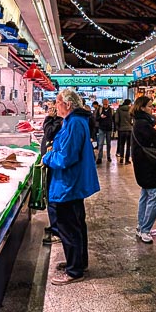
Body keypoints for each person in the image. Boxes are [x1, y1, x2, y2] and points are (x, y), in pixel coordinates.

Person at [42, 89, 101, 285]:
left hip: (68, 184)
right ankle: (78, 263)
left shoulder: (75, 122)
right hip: (72, 183)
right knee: (76, 225)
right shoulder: (74, 120)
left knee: (68, 228)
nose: (55, 106)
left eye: (57, 102)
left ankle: (74, 271)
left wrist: (47, 157)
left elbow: (66, 157)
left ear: (67, 104)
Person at [129, 96, 156, 243]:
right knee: (155, 196)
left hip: (142, 164)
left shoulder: (138, 122)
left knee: (145, 195)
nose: (152, 109)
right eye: (149, 106)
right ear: (142, 108)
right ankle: (145, 230)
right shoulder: (143, 124)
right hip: (148, 165)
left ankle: (141, 226)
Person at [41, 105, 63, 245]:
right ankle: (56, 227)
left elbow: (49, 133)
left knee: (54, 199)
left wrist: (49, 118)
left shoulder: (61, 122)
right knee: (52, 198)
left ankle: (58, 231)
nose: (53, 108)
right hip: (54, 164)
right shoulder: (62, 121)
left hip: (56, 167)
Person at [114, 98, 133, 164]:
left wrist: (118, 127)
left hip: (121, 130)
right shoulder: (131, 110)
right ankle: (127, 160)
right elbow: (133, 120)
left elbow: (116, 120)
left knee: (121, 144)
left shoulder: (119, 110)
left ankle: (121, 158)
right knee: (128, 145)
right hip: (129, 129)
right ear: (129, 103)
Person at [95, 98, 114, 164]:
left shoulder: (111, 110)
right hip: (101, 128)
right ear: (102, 103)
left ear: (108, 103)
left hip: (109, 129)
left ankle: (108, 156)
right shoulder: (100, 110)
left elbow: (113, 119)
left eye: (106, 103)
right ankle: (99, 157)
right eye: (104, 104)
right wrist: (100, 117)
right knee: (100, 144)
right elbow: (96, 119)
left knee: (109, 143)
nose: (105, 105)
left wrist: (114, 129)